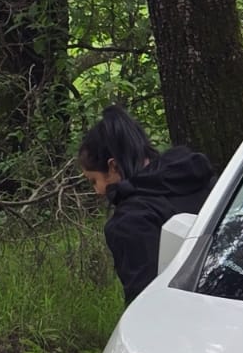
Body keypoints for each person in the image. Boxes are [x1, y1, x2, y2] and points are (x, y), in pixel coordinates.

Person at [77, 105, 215, 304]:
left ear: (113, 166)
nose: (97, 191)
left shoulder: (130, 222)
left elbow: (145, 302)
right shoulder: (200, 179)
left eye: (94, 180)